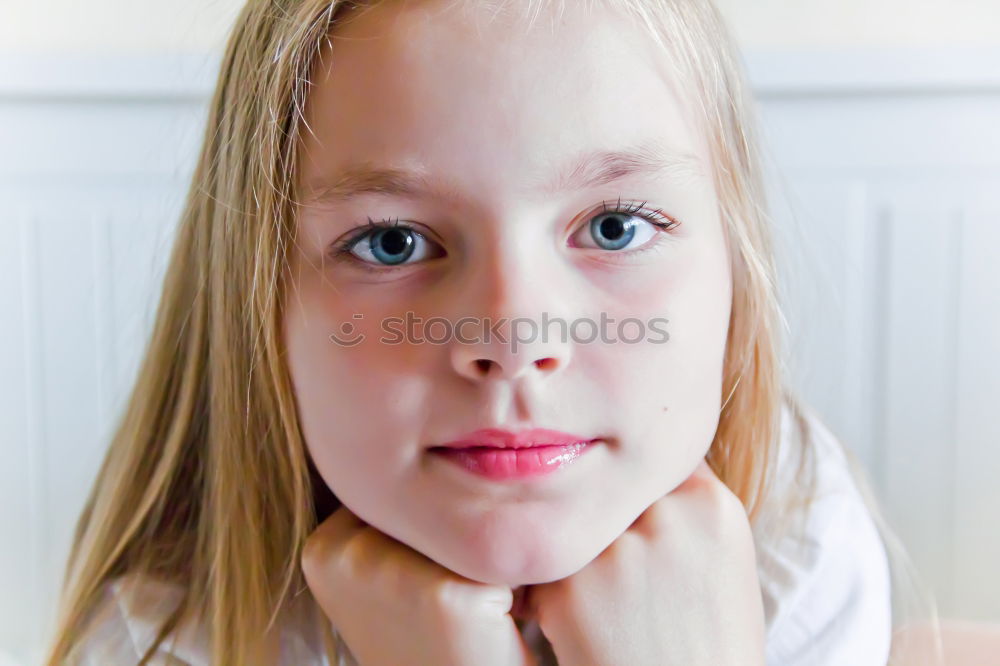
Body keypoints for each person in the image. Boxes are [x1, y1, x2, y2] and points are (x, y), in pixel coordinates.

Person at [44, 0, 933, 664]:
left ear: (735, 270)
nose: (513, 337)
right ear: (262, 306)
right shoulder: (158, 642)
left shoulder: (795, 533)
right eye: (392, 242)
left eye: (615, 226)